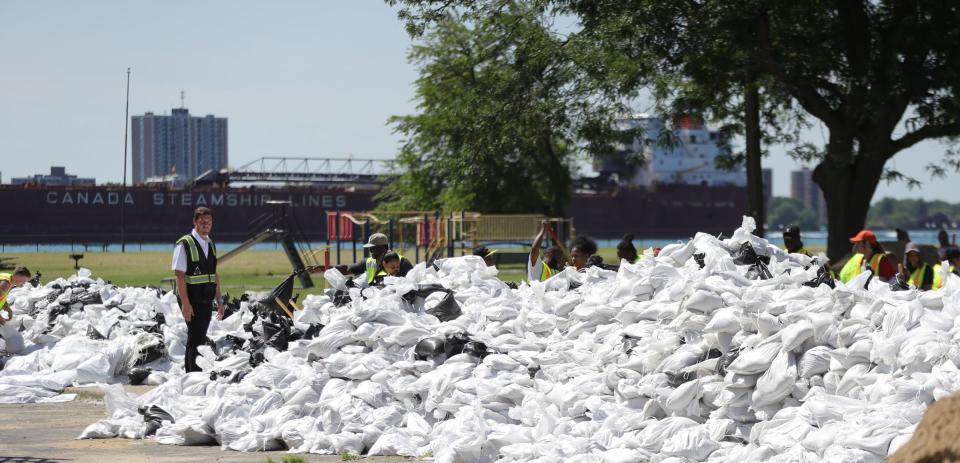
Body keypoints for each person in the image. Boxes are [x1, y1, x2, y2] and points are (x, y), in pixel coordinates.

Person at [172, 207, 224, 373]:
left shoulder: (211, 244)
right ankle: (192, 375)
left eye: (208, 222)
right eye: (202, 222)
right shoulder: (184, 244)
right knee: (195, 338)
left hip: (206, 299)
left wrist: (220, 300)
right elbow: (179, 276)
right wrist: (186, 304)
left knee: (199, 337)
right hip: (192, 300)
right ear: (194, 222)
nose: (205, 225)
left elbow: (214, 274)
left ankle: (194, 374)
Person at [336, 233, 413, 285]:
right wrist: (327, 268)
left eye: (372, 248)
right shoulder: (369, 262)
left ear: (383, 248)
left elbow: (412, 282)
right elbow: (347, 269)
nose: (370, 251)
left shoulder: (402, 262)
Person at [0, 266, 30, 354]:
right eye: (24, 281)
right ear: (18, 276)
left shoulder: (8, 279)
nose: (24, 284)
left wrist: (8, 309)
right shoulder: (5, 284)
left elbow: (1, 298)